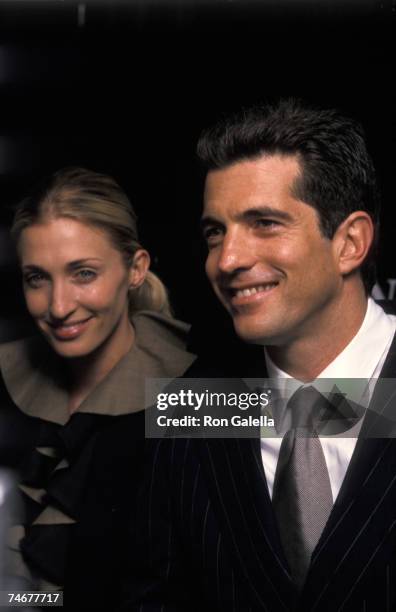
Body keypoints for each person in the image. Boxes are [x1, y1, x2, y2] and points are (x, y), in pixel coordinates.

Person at [128, 99, 396, 611]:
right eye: (215, 232)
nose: (227, 260)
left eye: (265, 223)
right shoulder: (191, 410)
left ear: (350, 242)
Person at [0, 167, 195, 609]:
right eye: (37, 278)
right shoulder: (15, 389)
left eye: (83, 273)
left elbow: (365, 408)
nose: (58, 306)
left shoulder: (186, 395)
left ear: (136, 269)